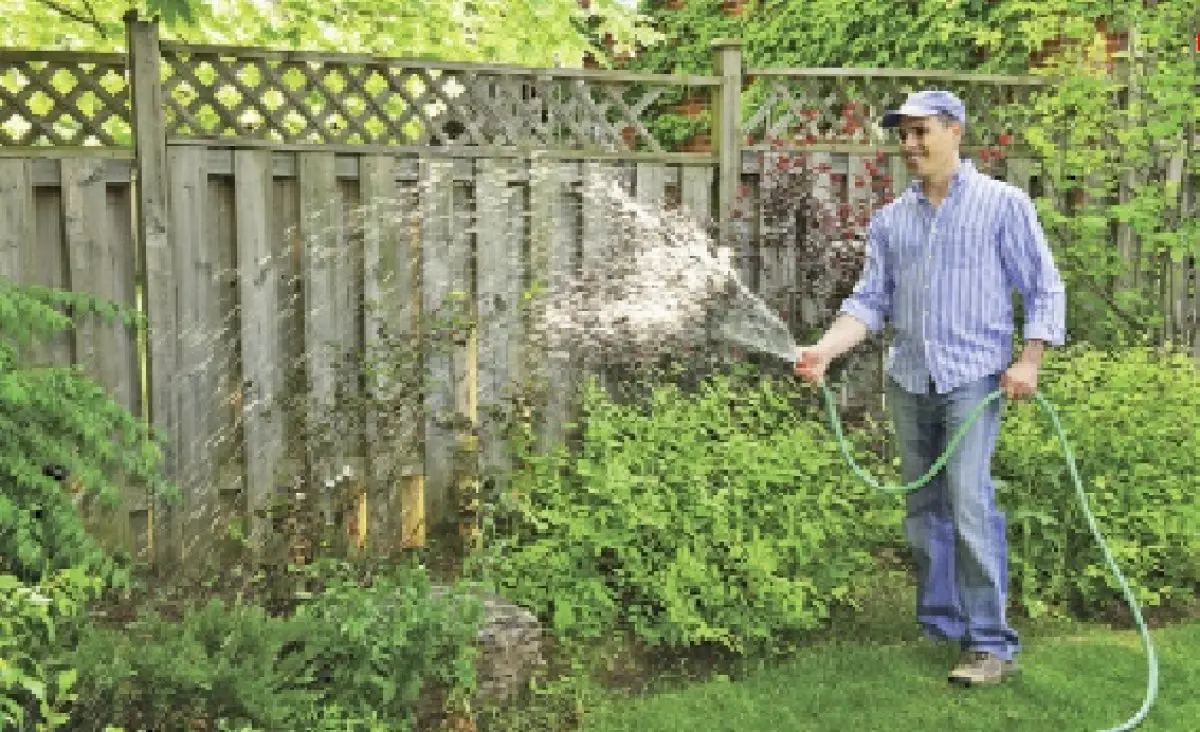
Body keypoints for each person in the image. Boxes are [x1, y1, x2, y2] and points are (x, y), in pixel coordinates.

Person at [794, 90, 1066, 686]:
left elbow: (1044, 287)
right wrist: (826, 350)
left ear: (955, 132)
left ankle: (991, 642)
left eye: (922, 132)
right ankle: (941, 623)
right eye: (904, 134)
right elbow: (868, 302)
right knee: (923, 509)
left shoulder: (1002, 205)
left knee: (969, 500)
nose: (910, 145)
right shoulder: (893, 220)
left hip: (972, 379)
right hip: (910, 379)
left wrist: (1031, 360)